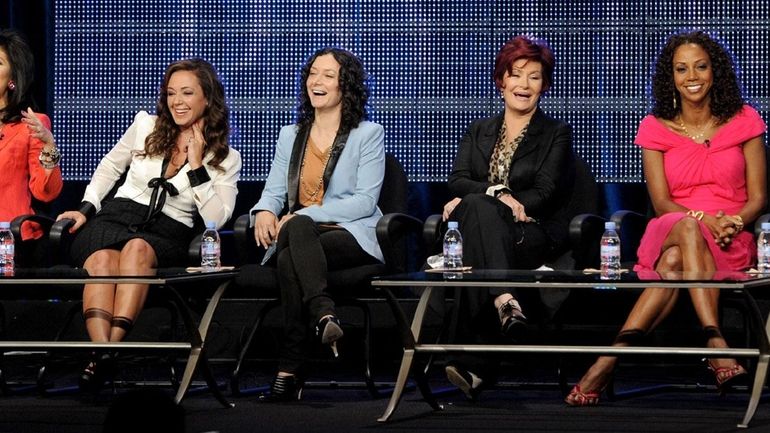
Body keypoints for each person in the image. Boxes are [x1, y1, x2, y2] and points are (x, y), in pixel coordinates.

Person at [566, 31, 767, 406]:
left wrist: (735, 223)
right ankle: (715, 341)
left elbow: (758, 197)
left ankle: (605, 363)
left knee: (674, 264)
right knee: (686, 228)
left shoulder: (745, 120)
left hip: (729, 237)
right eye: (681, 68)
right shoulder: (656, 127)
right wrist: (706, 219)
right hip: (673, 224)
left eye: (701, 66)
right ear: (670, 77)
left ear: (715, 72)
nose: (692, 75)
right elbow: (661, 202)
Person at [56, 58, 241, 391]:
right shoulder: (146, 125)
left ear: (207, 98)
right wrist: (86, 207)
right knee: (102, 259)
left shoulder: (225, 157)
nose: (177, 102)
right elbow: (110, 168)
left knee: (137, 249)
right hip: (116, 216)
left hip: (166, 232)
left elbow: (217, 216)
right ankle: (105, 354)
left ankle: (100, 357)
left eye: (187, 93)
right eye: (171, 93)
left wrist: (197, 165)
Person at [441, 35, 574, 400]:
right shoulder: (479, 129)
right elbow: (456, 179)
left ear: (544, 85)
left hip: (529, 234)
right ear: (501, 80)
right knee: (480, 210)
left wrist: (484, 199)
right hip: (485, 233)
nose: (524, 85)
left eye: (534, 77)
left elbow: (545, 194)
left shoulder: (556, 133)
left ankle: (471, 355)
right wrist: (495, 193)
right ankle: (503, 305)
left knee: (475, 211)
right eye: (516, 75)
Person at [249, 48, 385, 401]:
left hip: (350, 233)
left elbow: (365, 201)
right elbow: (274, 191)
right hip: (301, 238)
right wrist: (264, 211)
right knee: (291, 242)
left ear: (346, 85)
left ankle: (290, 366)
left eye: (327, 74)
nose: (316, 81)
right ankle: (323, 318)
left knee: (293, 235)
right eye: (312, 73)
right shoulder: (289, 134)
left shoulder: (367, 133)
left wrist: (305, 214)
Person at [0, 29, 63, 240]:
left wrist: (48, 146)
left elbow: (45, 193)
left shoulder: (31, 125)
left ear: (12, 79)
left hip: (7, 236)